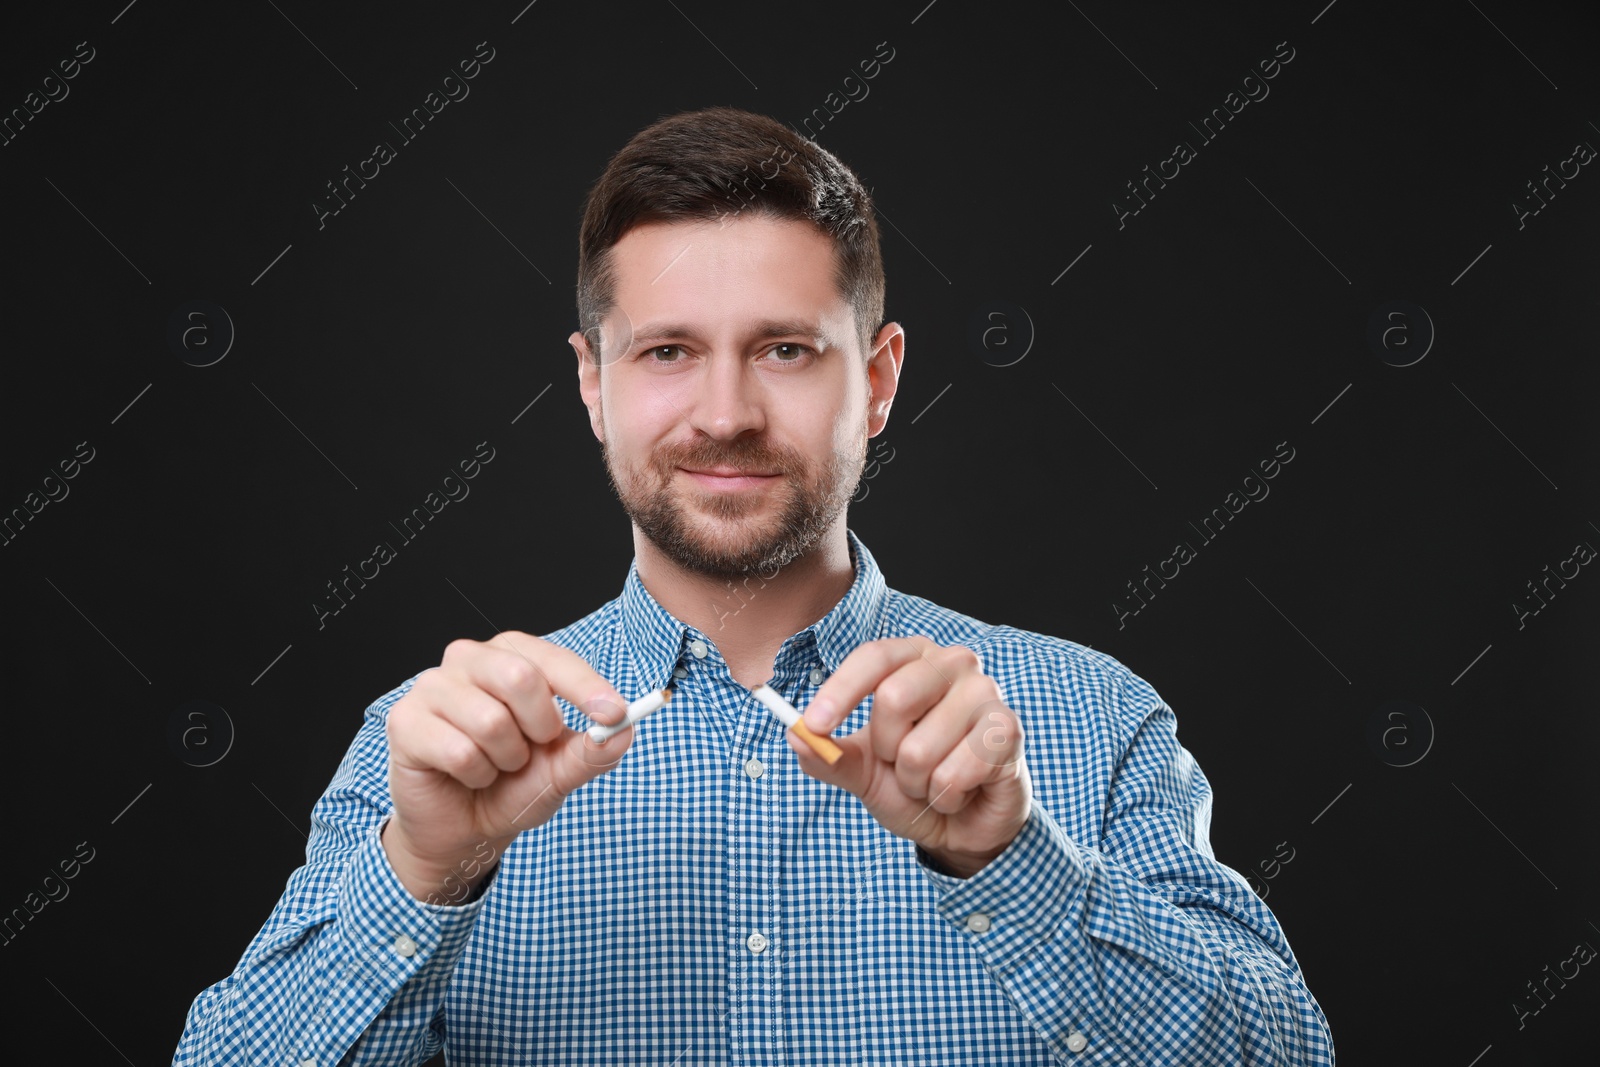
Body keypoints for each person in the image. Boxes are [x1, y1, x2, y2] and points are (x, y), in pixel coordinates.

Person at [173, 106, 1334, 1065]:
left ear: (877, 381)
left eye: (784, 348)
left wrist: (1010, 858)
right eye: (667, 350)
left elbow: (1288, 1053)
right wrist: (424, 876)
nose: (724, 413)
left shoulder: (1086, 720)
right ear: (592, 384)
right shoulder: (424, 755)